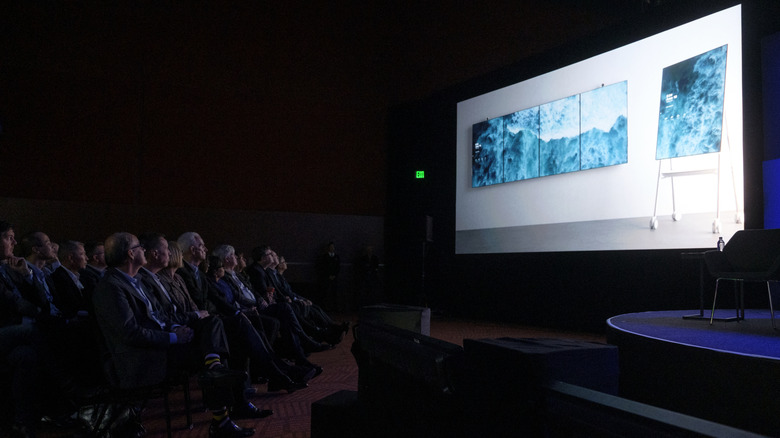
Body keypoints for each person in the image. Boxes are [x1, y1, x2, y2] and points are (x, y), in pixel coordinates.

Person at [92, 232, 254, 438]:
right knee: (212, 350)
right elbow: (130, 333)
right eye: (140, 247)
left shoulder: (135, 280)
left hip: (161, 345)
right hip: (141, 358)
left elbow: (159, 315)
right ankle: (221, 416)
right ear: (131, 254)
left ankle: (216, 374)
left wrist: (175, 327)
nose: (144, 250)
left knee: (213, 324)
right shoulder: (110, 287)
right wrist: (174, 337)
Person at [0, 220, 44, 438]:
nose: (14, 242)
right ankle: (69, 390)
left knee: (26, 356)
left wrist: (27, 275)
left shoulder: (9, 268)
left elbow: (40, 300)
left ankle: (21, 422)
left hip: (12, 334)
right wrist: (41, 314)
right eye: (9, 237)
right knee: (40, 330)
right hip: (4, 331)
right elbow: (13, 302)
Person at [316, 241, 341, 311]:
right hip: (326, 278)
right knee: (325, 293)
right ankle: (325, 307)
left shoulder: (336, 257)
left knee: (334, 293)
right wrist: (328, 275)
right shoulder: (324, 257)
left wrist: (334, 275)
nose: (332, 248)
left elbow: (338, 267)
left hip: (334, 278)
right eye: (331, 247)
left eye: (333, 247)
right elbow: (323, 267)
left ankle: (334, 307)